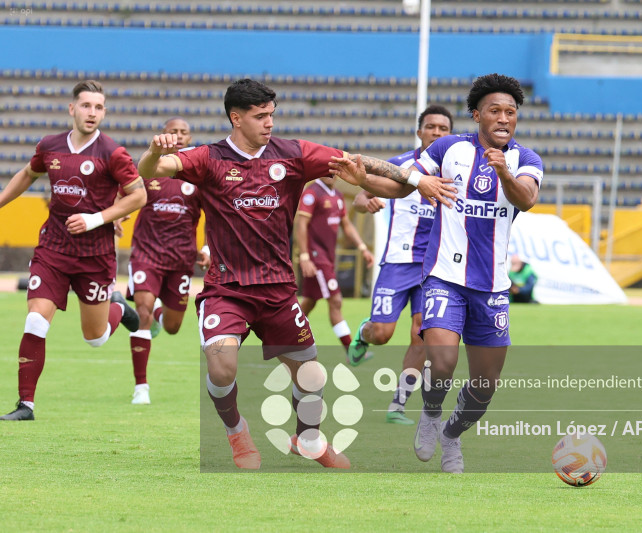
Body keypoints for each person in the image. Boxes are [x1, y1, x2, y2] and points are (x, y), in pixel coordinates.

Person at [137, 79, 454, 470]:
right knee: (222, 367)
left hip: (277, 291)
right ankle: (237, 432)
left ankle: (308, 440)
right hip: (226, 289)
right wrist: (154, 151)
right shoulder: (208, 158)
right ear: (236, 118)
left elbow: (367, 165)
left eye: (272, 114)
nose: (269, 123)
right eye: (260, 116)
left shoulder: (293, 154)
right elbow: (152, 168)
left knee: (312, 377)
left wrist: (413, 180)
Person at [330, 73, 542, 473]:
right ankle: (429, 415)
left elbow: (527, 199)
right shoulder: (448, 148)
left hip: (493, 287)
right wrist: (365, 182)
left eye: (510, 112)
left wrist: (505, 174)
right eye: (494, 111)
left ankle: (452, 435)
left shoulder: (525, 159)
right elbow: (403, 185)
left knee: (484, 388)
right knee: (441, 362)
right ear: (477, 114)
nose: (503, 118)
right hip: (444, 276)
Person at [0, 80, 147, 421]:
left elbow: (138, 196)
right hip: (53, 248)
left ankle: (117, 309)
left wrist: (97, 219)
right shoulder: (50, 146)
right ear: (72, 109)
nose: (91, 112)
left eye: (98, 107)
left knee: (94, 338)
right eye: (86, 106)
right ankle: (26, 405)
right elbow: (27, 174)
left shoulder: (113, 153)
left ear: (104, 112)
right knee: (36, 319)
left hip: (95, 255)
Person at [349, 104, 454, 424]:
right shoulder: (399, 165)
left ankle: (398, 403)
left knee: (421, 335)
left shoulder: (454, 171)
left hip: (432, 268)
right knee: (383, 333)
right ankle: (363, 334)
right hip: (397, 262)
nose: (436, 132)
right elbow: (357, 196)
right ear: (419, 131)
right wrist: (366, 201)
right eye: (431, 127)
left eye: (443, 129)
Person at [123, 117, 209, 405]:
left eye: (184, 132)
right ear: (164, 135)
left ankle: (160, 312)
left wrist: (207, 247)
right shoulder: (149, 169)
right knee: (142, 312)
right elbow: (124, 195)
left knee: (172, 327)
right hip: (146, 254)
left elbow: (213, 216)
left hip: (181, 259)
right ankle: (141, 387)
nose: (179, 136)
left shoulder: (196, 176)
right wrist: (116, 216)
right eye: (173, 131)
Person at [295, 175, 374, 359]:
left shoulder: (337, 195)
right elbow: (301, 224)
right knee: (335, 301)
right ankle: (352, 351)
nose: (330, 174)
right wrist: (305, 256)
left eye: (334, 171)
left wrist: (363, 248)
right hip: (316, 258)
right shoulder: (312, 193)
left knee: (308, 302)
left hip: (328, 258)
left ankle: (280, 338)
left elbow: (346, 226)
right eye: (326, 170)